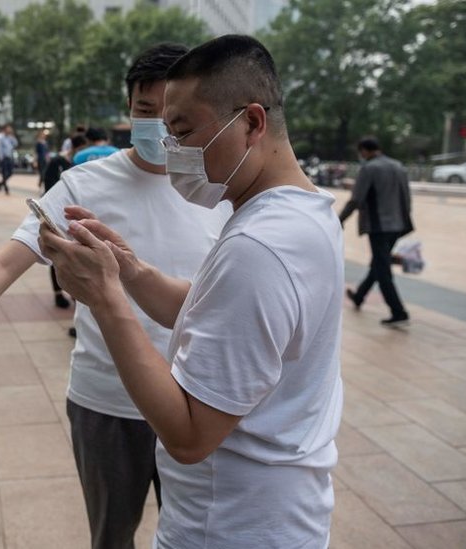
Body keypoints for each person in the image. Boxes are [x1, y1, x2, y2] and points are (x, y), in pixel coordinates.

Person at [0, 43, 232, 549]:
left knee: (199, 537)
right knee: (112, 535)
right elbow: (5, 261)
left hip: (198, 400)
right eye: (144, 111)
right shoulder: (86, 183)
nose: (156, 125)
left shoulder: (218, 187)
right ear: (128, 110)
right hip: (108, 403)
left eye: (170, 113)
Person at [36, 35, 344, 549]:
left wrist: (107, 301)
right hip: (279, 514)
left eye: (182, 131)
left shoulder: (258, 247)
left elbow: (189, 436)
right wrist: (131, 273)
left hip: (229, 526)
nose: (172, 150)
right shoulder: (303, 212)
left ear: (250, 122)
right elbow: (217, 316)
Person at [339, 136, 413, 327]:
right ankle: (359, 296)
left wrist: (339, 219)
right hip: (398, 225)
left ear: (364, 150)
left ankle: (399, 312)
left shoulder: (369, 168)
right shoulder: (398, 166)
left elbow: (356, 199)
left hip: (379, 226)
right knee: (379, 263)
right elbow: (406, 196)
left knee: (382, 270)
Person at [42, 133, 88, 309]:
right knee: (56, 255)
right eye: (83, 148)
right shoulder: (58, 161)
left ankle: (76, 296)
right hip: (58, 214)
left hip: (77, 216)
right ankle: (58, 294)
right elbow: (49, 185)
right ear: (76, 147)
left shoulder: (81, 162)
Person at [0, 124, 18, 195]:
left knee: (10, 173)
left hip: (10, 157)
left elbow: (16, 144)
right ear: (5, 130)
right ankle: (6, 188)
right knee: (4, 173)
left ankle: (1, 183)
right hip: (4, 158)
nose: (9, 130)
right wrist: (0, 157)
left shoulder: (10, 137)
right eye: (8, 129)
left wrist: (12, 136)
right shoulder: (1, 138)